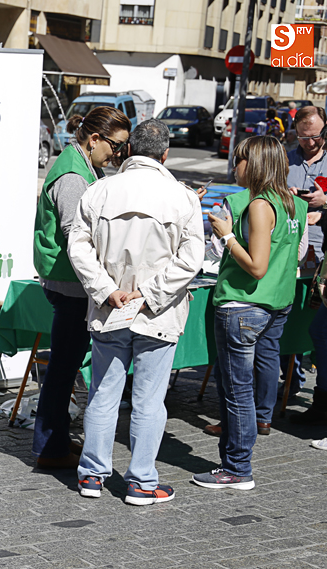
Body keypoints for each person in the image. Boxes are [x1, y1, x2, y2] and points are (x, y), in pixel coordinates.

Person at [68, 119, 204, 505]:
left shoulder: (99, 191)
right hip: (156, 313)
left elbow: (78, 247)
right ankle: (141, 481)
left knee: (103, 394)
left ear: (129, 150)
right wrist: (149, 294)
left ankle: (91, 475)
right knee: (148, 400)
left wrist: (107, 290)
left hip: (111, 309)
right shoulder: (182, 197)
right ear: (165, 155)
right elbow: (191, 259)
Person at [193, 136, 306, 490]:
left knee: (237, 391)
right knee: (248, 383)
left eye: (239, 160)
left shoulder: (259, 205)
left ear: (255, 164)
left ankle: (237, 467)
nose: (234, 166)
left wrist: (227, 236)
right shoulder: (294, 203)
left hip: (244, 304)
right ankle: (237, 461)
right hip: (276, 303)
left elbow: (257, 266)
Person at [31, 106, 131, 469]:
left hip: (72, 282)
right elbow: (76, 235)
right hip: (70, 283)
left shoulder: (84, 164)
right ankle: (49, 448)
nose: (117, 154)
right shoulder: (73, 174)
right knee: (62, 368)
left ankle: (54, 442)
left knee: (65, 366)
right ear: (94, 139)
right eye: (116, 145)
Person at [287, 105, 327, 418]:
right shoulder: (287, 160)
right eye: (303, 137)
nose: (309, 143)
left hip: (323, 256)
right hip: (292, 252)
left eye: (315, 137)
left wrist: (324, 203)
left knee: (318, 329)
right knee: (296, 322)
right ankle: (291, 381)